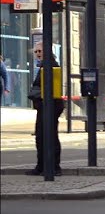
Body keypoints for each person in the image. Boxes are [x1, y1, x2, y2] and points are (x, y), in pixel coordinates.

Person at [26, 42, 65, 176]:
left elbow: (50, 87)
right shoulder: (43, 65)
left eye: (40, 51)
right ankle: (43, 166)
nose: (38, 54)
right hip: (45, 105)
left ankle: (52, 167)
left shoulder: (50, 64)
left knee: (49, 135)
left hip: (49, 105)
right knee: (41, 135)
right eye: (36, 51)